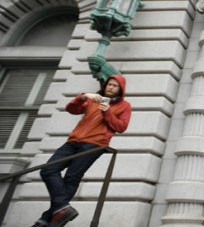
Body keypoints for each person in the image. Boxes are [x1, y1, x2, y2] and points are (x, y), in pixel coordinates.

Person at [33, 75, 132, 227]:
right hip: (73, 141)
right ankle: (60, 209)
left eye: (115, 86)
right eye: (109, 84)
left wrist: (107, 112)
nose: (111, 87)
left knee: (72, 178)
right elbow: (71, 109)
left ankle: (46, 219)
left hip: (94, 144)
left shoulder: (125, 105)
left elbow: (121, 127)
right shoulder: (93, 99)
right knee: (48, 170)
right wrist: (83, 96)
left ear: (121, 89)